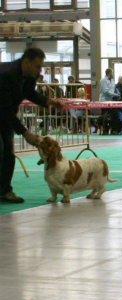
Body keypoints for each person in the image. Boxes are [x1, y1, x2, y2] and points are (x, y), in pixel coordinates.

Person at [0, 47, 64, 203]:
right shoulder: (5, 74)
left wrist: (48, 102)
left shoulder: (30, 75)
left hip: (5, 116)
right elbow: (4, 108)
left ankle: (4, 190)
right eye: (38, 66)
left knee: (8, 153)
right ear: (26, 62)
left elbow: (29, 93)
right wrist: (24, 132)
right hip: (3, 111)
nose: (40, 70)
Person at [99, 68, 121, 135]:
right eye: (112, 72)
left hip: (111, 101)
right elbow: (105, 91)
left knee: (113, 115)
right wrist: (115, 94)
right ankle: (105, 130)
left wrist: (117, 93)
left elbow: (113, 90)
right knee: (105, 116)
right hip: (104, 101)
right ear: (109, 73)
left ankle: (113, 130)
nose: (113, 74)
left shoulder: (112, 81)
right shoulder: (103, 80)